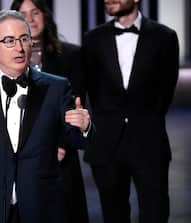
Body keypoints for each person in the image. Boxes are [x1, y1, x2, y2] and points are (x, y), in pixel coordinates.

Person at [0, 10, 93, 223]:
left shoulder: (56, 87)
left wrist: (85, 126)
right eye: (9, 41)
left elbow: (76, 140)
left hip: (43, 207)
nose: (19, 48)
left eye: (23, 39)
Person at [80, 0, 179, 222]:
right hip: (106, 144)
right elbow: (89, 90)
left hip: (149, 142)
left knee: (155, 213)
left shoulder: (165, 37)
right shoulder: (93, 39)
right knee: (113, 214)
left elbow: (165, 92)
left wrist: (142, 121)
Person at [10, 1, 89, 222]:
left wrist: (61, 144)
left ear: (45, 15)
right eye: (23, 14)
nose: (31, 19)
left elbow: (76, 105)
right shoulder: (6, 58)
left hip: (59, 155)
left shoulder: (72, 55)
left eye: (35, 12)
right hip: (20, 157)